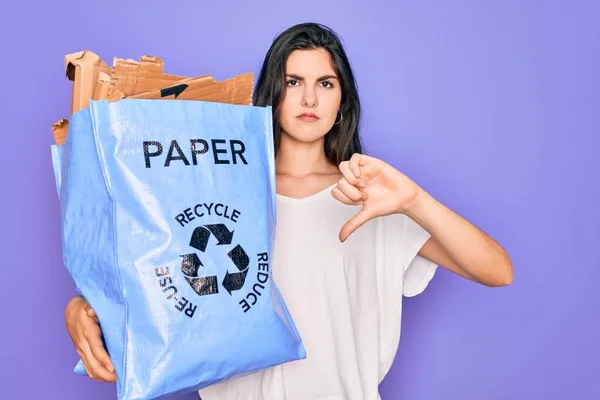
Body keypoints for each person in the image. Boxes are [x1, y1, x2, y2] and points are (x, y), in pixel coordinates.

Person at [64, 22, 513, 399]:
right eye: (294, 82)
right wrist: (81, 305)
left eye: (325, 83)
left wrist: (414, 200)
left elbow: (497, 270)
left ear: (343, 103)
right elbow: (156, 275)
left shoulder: (373, 199)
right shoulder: (219, 195)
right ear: (273, 94)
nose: (309, 99)